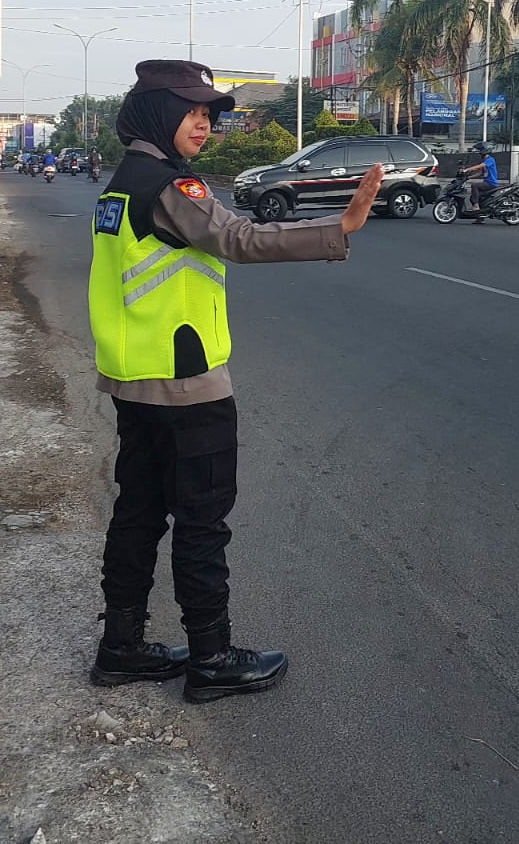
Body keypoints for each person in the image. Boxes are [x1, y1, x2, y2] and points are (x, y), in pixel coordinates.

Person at [87, 59, 384, 703]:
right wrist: (339, 228)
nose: (204, 125)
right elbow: (241, 239)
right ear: (159, 113)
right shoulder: (171, 185)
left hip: (135, 378)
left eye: (208, 114)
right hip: (187, 383)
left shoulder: (122, 184)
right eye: (192, 112)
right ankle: (212, 657)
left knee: (138, 513)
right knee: (202, 520)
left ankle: (122, 646)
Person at [461, 142, 499, 221]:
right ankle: (480, 217)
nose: (479, 152)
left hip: (491, 183)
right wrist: (468, 177)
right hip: (487, 182)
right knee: (473, 197)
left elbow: (479, 166)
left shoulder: (490, 160)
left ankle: (476, 206)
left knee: (474, 186)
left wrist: (468, 169)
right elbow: (480, 173)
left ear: (485, 150)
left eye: (480, 150)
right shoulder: (485, 161)